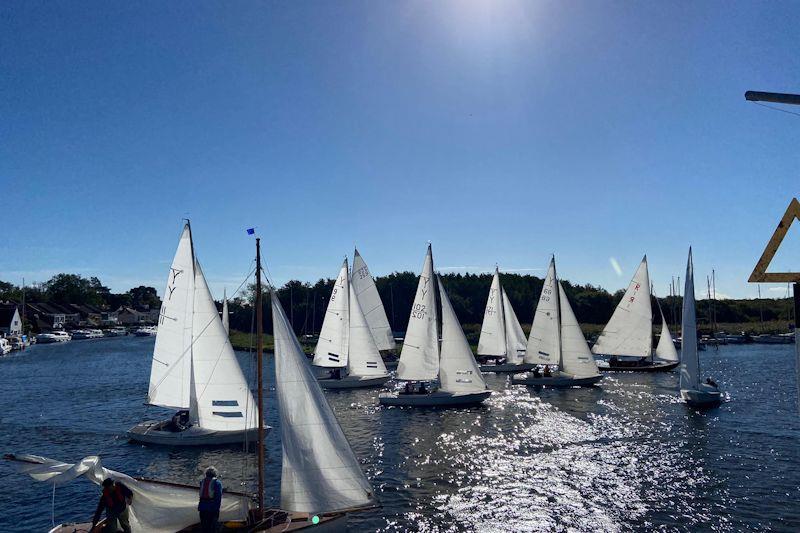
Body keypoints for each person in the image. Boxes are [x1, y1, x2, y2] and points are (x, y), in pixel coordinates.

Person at [198, 467, 223, 533]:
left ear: (206, 474)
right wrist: (216, 509)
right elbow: (218, 497)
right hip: (212, 509)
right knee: (212, 529)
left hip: (202, 508)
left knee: (204, 528)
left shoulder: (202, 482)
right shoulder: (217, 483)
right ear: (215, 474)